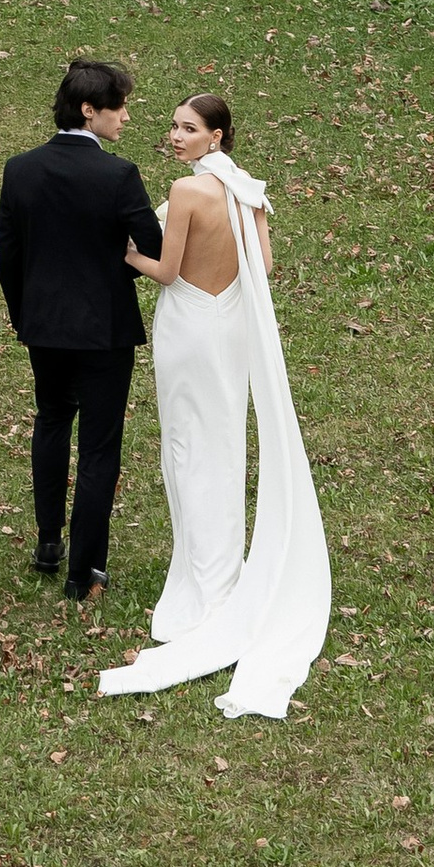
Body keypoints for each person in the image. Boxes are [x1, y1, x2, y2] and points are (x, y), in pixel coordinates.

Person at [101, 88, 329, 721]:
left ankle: (204, 585)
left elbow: (168, 271)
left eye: (189, 129)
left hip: (189, 327)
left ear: (216, 136)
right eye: (174, 127)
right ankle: (220, 572)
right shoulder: (246, 190)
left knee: (186, 447)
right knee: (224, 443)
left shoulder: (187, 192)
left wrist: (126, 253)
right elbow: (265, 266)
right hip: (230, 326)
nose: (176, 137)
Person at [0, 56, 163, 606]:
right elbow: (153, 247)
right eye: (120, 108)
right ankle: (85, 569)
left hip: (43, 328)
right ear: (90, 110)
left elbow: (8, 254)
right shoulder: (118, 175)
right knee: (98, 447)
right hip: (104, 332)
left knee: (51, 422)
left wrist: (25, 317)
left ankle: (49, 542)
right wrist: (117, 262)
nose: (126, 117)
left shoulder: (20, 169)